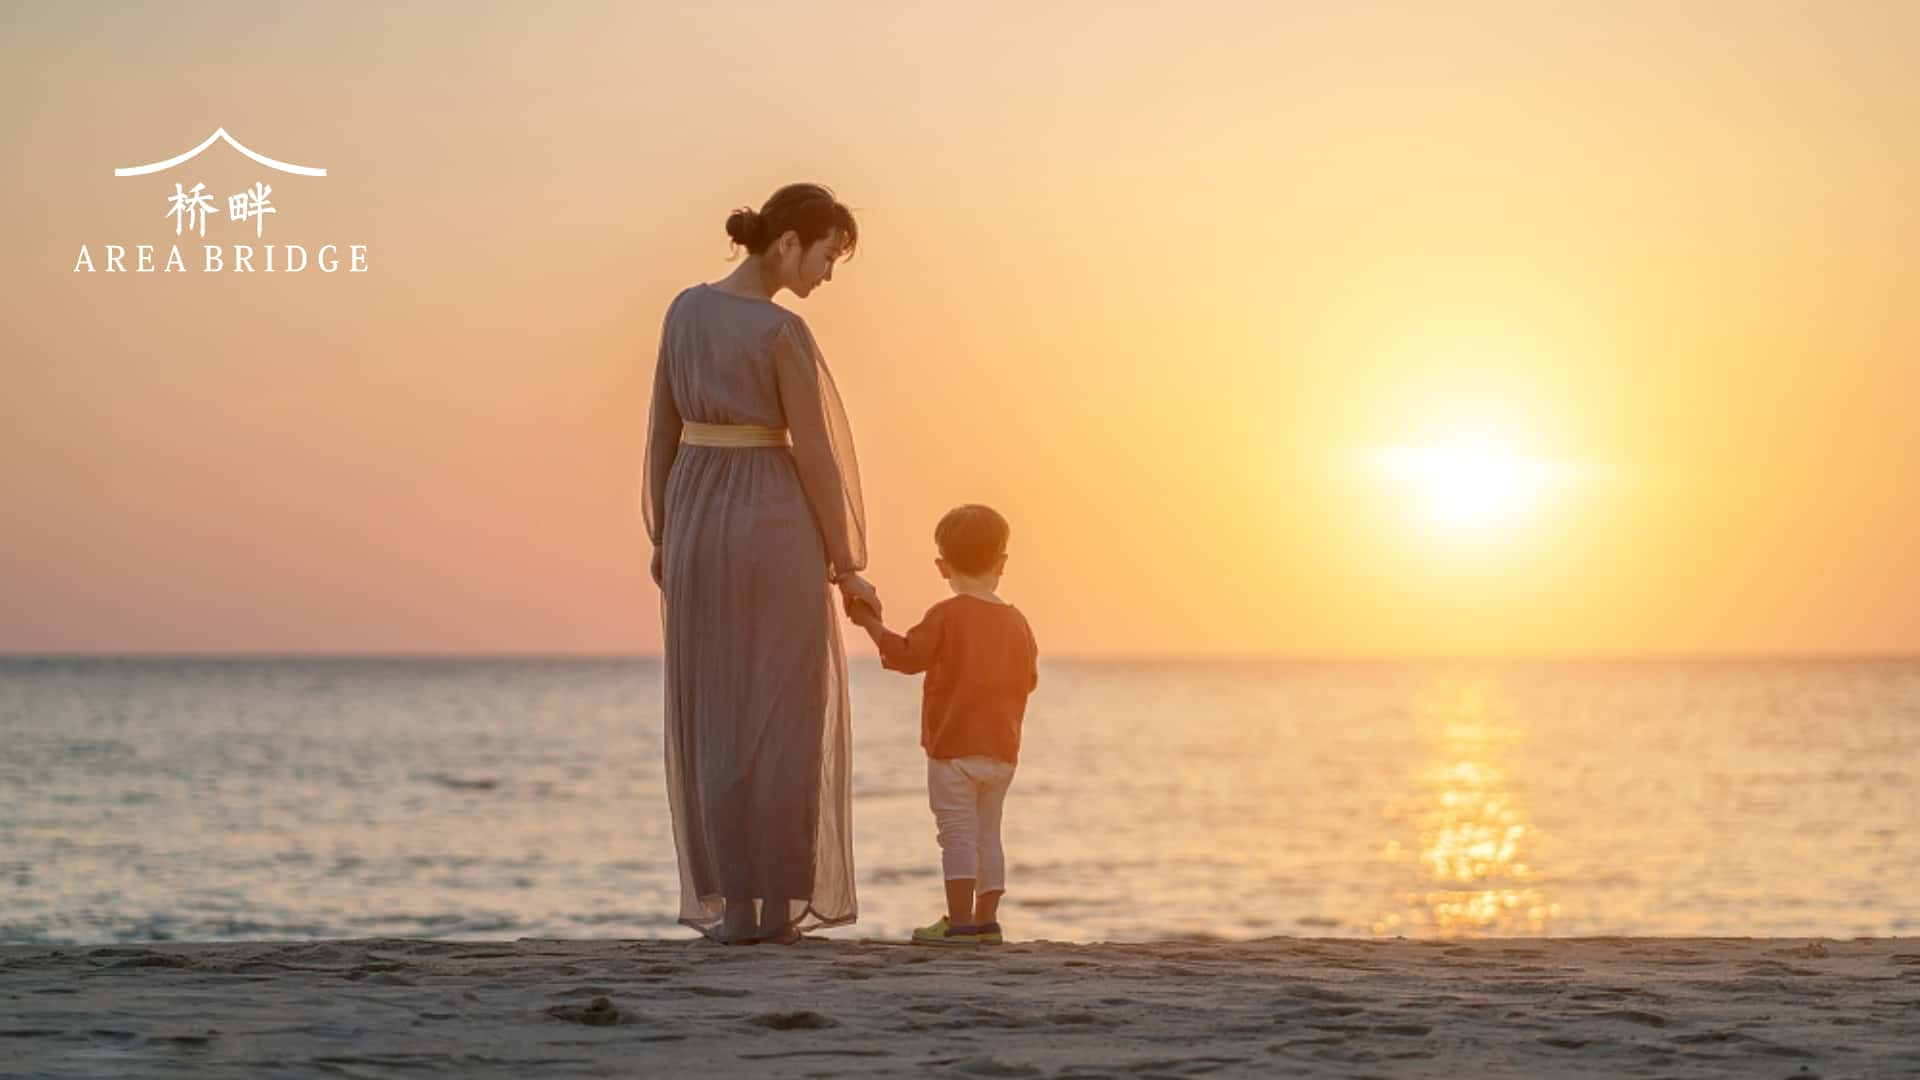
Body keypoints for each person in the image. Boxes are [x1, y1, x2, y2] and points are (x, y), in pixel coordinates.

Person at [642, 182, 883, 945]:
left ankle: (734, 909)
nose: (828, 275)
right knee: (784, 710)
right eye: (826, 256)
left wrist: (664, 531)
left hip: (698, 521)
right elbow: (814, 454)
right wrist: (846, 564)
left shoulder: (683, 310)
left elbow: (661, 430)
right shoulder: (782, 333)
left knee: (714, 709)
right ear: (787, 244)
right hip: (774, 521)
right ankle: (779, 908)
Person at [847, 504, 1040, 945]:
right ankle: (987, 921)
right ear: (1002, 563)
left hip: (953, 749)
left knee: (955, 834)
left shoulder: (947, 615)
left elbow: (905, 657)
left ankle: (960, 924)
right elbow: (1028, 680)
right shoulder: (1018, 622)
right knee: (989, 833)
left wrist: (869, 622)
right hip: (1002, 750)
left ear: (942, 566)